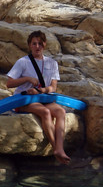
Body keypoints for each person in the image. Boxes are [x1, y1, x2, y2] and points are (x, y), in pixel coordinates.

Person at [5, 30, 71, 165]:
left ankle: (59, 148)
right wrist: (27, 79)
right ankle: (57, 149)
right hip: (24, 99)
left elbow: (53, 87)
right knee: (45, 112)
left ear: (44, 45)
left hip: (42, 97)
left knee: (60, 111)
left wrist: (42, 90)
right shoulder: (22, 62)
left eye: (40, 44)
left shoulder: (52, 63)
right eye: (34, 44)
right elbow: (9, 83)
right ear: (30, 45)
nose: (37, 47)